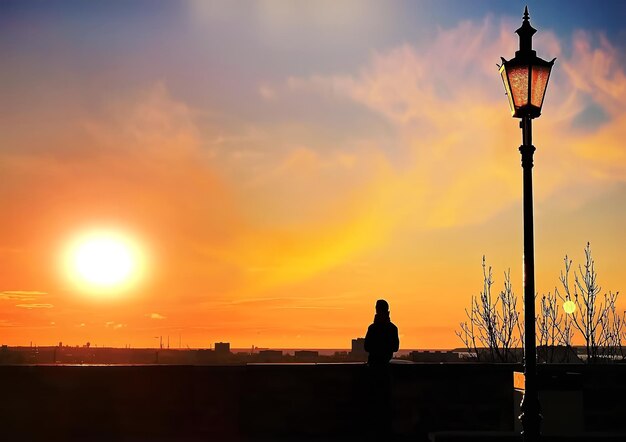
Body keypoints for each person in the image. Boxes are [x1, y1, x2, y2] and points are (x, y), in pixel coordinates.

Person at [363, 299, 399, 440]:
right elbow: (394, 347)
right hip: (382, 368)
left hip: (376, 368)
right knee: (383, 403)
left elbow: (367, 346)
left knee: (376, 403)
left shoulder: (373, 328)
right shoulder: (391, 328)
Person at [364, 299, 399, 366]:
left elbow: (366, 347)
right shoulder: (393, 328)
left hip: (373, 365)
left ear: (376, 310)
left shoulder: (372, 328)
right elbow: (395, 347)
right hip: (385, 365)